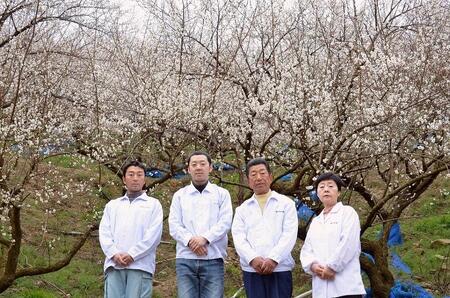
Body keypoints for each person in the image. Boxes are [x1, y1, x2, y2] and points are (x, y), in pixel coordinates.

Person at [168, 151, 233, 298]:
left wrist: (204, 239)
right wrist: (191, 242)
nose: (198, 167)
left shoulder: (222, 194)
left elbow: (225, 222)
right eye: (194, 164)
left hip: (213, 257)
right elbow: (174, 224)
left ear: (210, 168)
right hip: (186, 259)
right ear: (188, 169)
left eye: (203, 164)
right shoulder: (179, 195)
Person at [231, 158, 298, 298]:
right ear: (248, 181)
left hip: (280, 268)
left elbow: (289, 234)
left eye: (262, 173)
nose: (258, 178)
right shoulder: (242, 209)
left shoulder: (286, 204)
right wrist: (253, 258)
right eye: (253, 174)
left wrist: (274, 259)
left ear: (270, 177)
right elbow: (238, 238)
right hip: (252, 270)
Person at [99, 160, 163, 298]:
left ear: (144, 179)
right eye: (131, 174)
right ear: (124, 179)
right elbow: (104, 233)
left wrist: (133, 254)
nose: (135, 178)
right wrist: (114, 253)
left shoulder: (153, 205)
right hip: (114, 265)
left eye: (139, 175)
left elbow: (153, 236)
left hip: (140, 266)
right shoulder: (113, 205)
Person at [300, 172, 366, 298]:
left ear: (339, 192)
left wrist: (332, 267)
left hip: (346, 288)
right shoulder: (316, 221)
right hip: (321, 288)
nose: (326, 189)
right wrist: (312, 265)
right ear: (317, 193)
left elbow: (348, 244)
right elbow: (307, 250)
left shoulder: (347, 213)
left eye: (330, 186)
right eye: (322, 187)